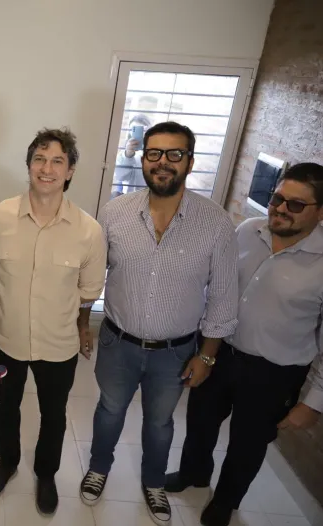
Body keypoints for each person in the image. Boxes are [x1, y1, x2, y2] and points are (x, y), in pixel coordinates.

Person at [81, 121, 238, 526]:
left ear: (189, 161)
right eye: (154, 153)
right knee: (109, 410)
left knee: (160, 423)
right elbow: (92, 276)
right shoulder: (114, 213)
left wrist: (207, 357)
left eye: (174, 154)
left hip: (175, 352)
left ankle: (153, 481)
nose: (163, 162)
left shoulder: (216, 223)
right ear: (143, 158)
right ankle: (98, 467)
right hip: (117, 342)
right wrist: (82, 322)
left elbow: (223, 298)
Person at [165, 162, 323, 526]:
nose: (280, 209)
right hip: (219, 352)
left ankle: (225, 501)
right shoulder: (248, 231)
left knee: (248, 443)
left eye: (295, 204)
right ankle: (193, 473)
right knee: (200, 421)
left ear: (320, 212)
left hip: (274, 373)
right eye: (277, 198)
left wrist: (313, 403)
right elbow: (216, 288)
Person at [0, 127, 107, 516]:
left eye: (57, 161)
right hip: (5, 338)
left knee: (54, 414)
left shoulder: (89, 231)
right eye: (39, 159)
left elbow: (89, 290)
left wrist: (78, 324)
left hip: (58, 344)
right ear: (29, 165)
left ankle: (46, 474)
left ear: (70, 171)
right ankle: (7, 463)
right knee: (6, 405)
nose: (46, 169)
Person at [111, 114, 152, 198]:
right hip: (130, 199)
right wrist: (128, 156)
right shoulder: (124, 154)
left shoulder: (156, 153)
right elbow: (120, 177)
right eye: (134, 129)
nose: (140, 133)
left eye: (143, 129)